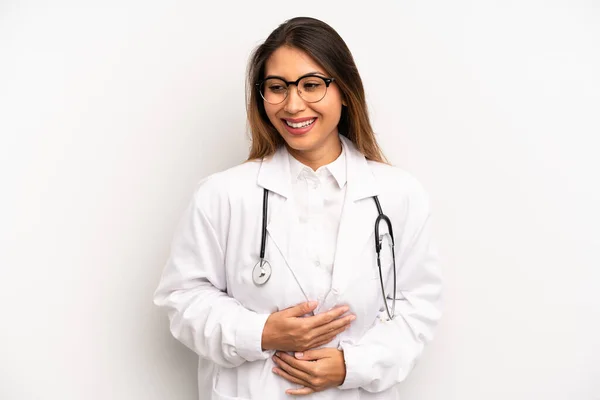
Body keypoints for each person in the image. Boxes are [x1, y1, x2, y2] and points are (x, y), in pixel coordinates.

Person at [154, 16, 443, 400]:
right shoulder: (222, 194)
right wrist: (261, 333)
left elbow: (417, 308)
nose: (293, 105)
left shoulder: (399, 195)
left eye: (311, 85)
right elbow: (183, 298)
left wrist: (352, 366)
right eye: (277, 88)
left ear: (344, 90)